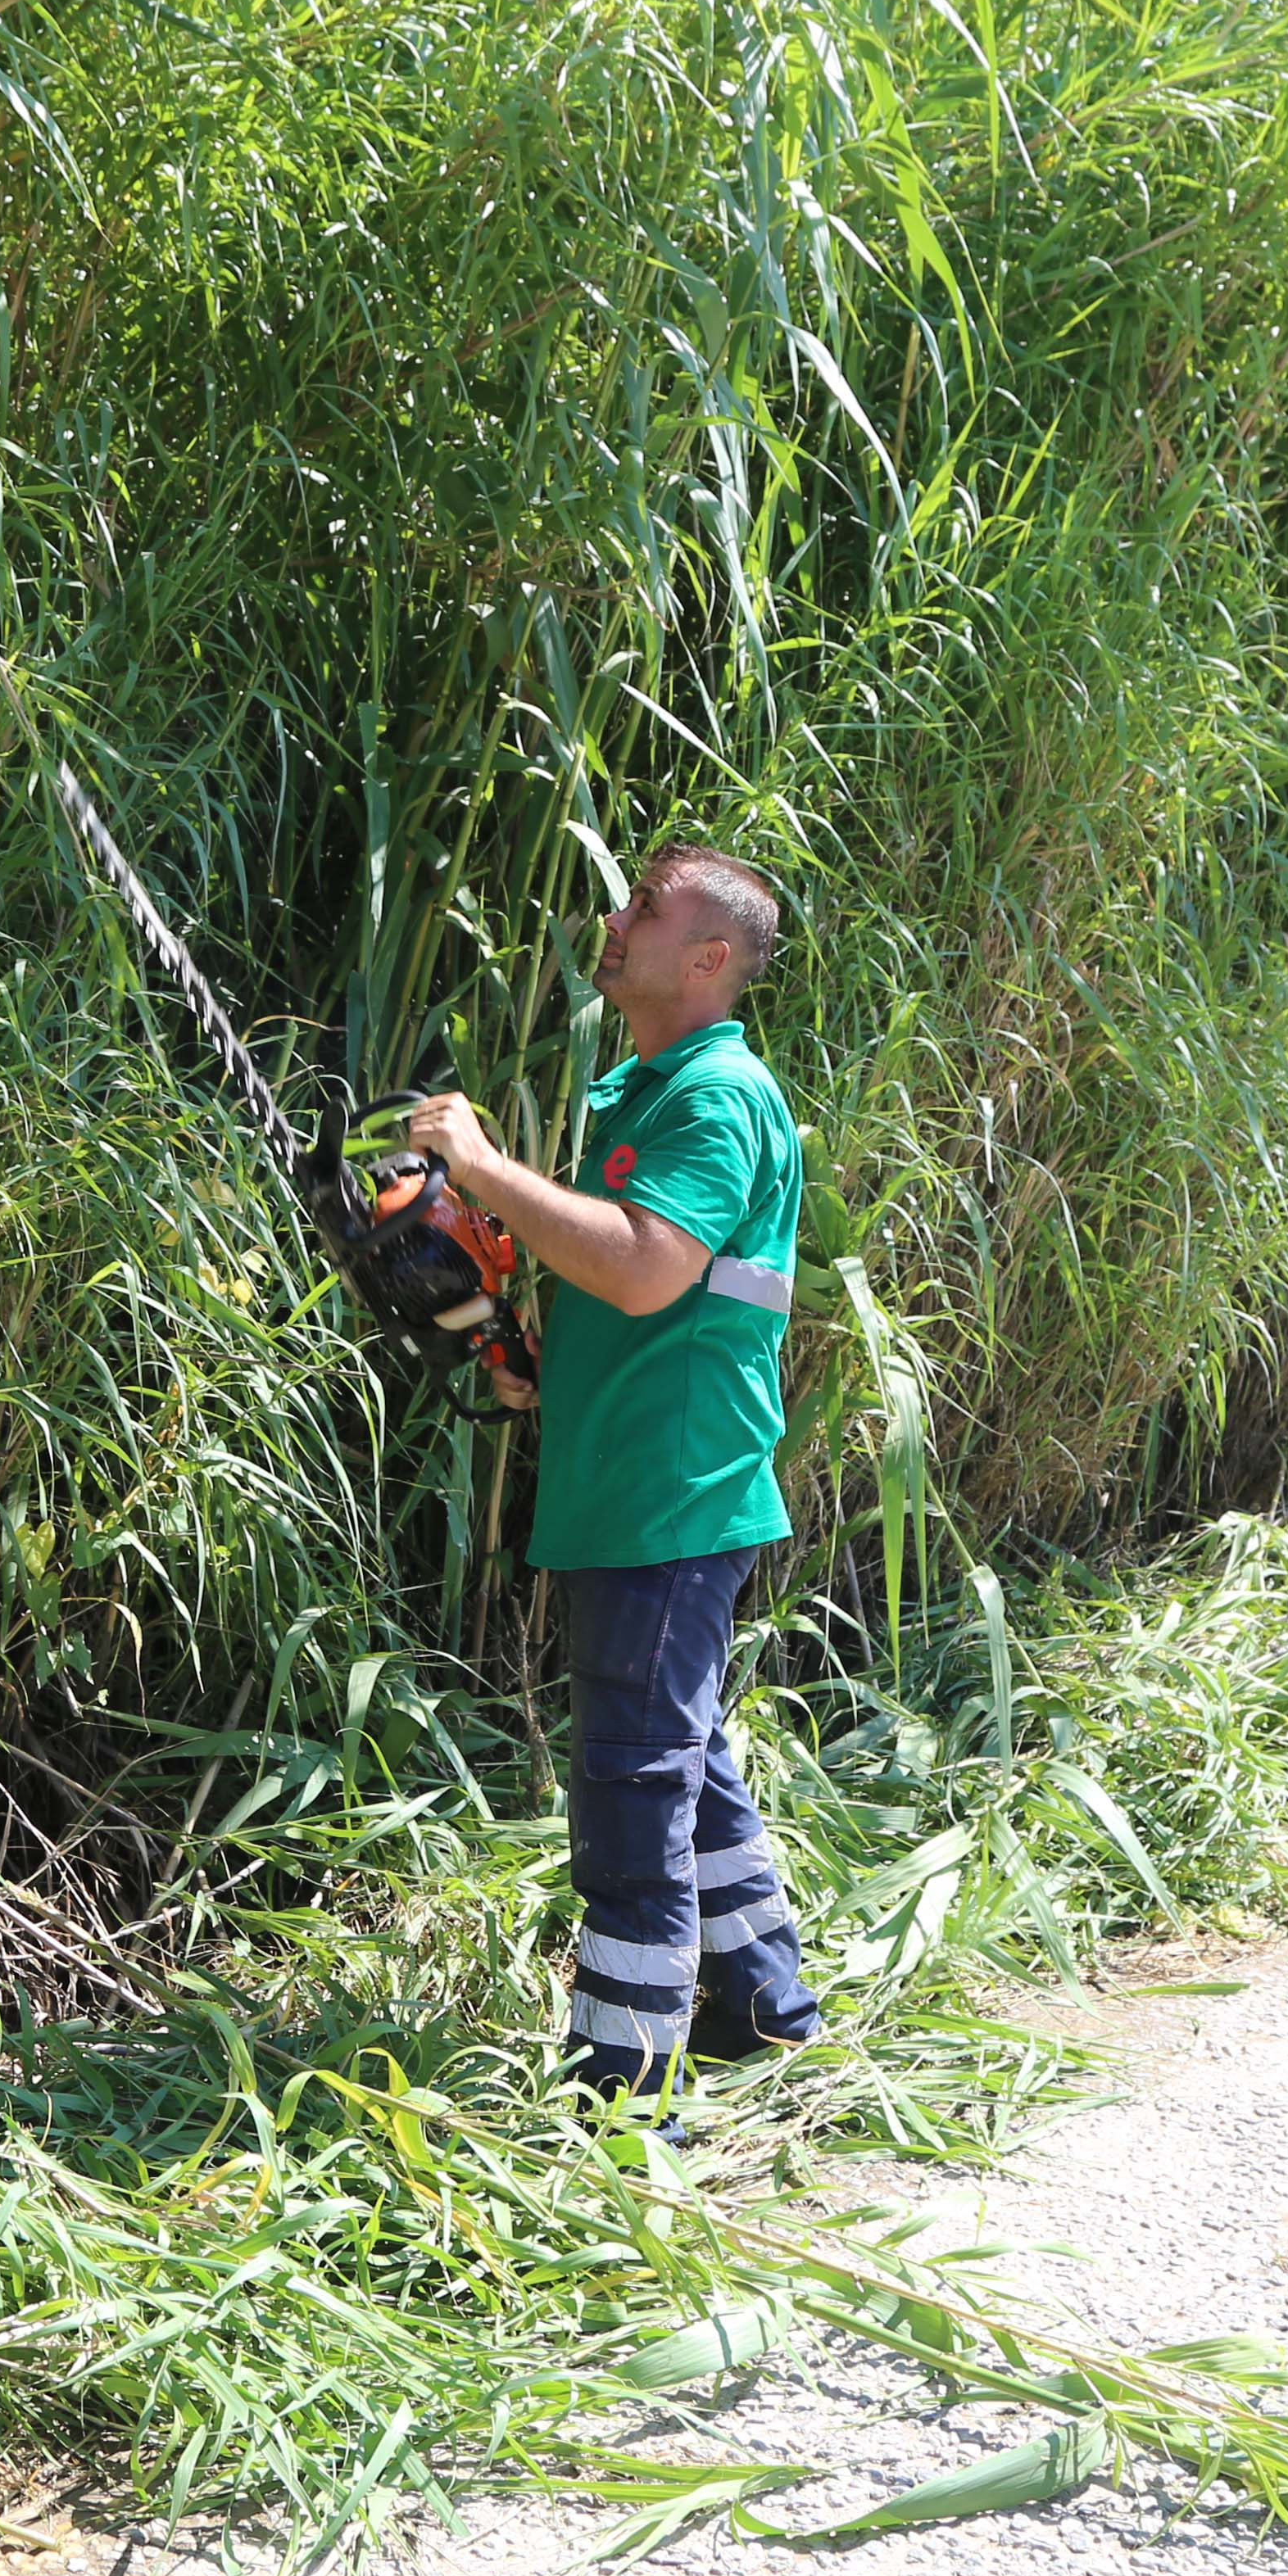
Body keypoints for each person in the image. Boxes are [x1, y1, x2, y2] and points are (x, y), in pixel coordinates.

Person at [400, 845, 819, 2099]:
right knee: (684, 1759)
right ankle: (767, 2008)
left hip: (670, 1496)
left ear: (707, 959)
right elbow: (642, 1290)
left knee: (634, 1788)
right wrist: (540, 1357)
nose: (613, 916)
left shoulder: (715, 1097)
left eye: (645, 907)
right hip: (639, 1485)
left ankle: (624, 2095)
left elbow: (646, 1267)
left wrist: (481, 1167)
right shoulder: (653, 1090)